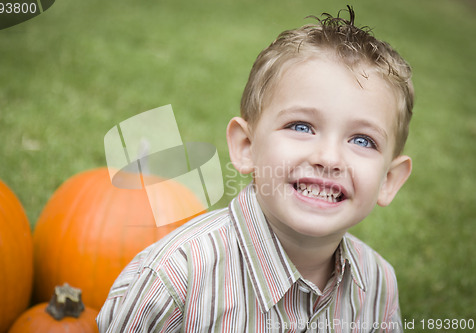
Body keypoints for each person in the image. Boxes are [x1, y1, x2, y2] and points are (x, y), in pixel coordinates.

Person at [97, 6, 413, 332]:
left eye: (362, 141)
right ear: (247, 148)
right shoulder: (173, 282)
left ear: (389, 180)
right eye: (302, 127)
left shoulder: (378, 284)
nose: (329, 158)